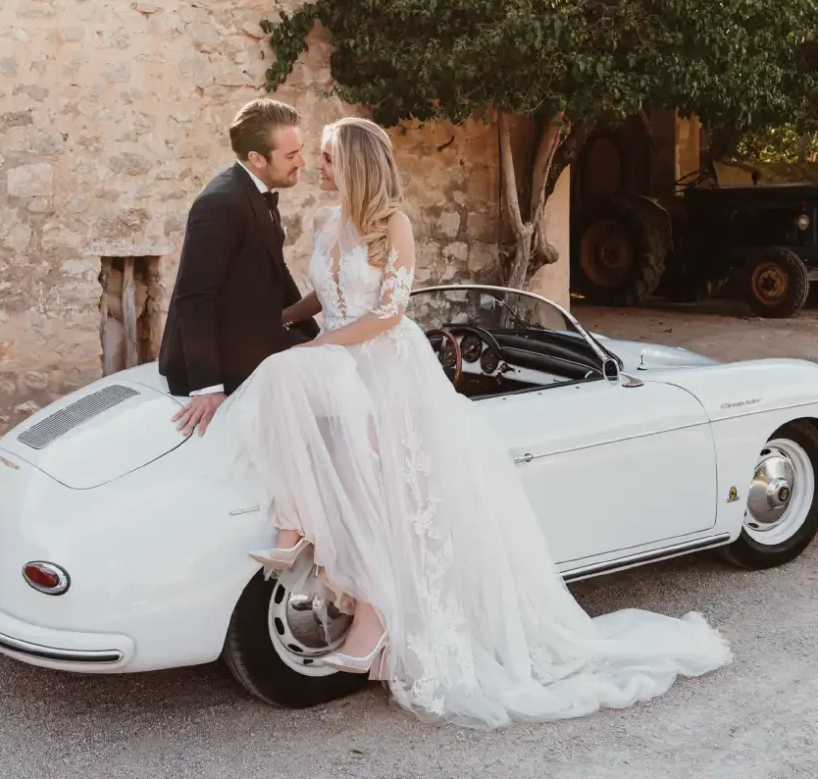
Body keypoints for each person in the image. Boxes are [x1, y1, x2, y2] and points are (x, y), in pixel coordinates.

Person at [208, 116, 732, 730]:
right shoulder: (326, 223)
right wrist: (276, 321)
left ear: (353, 163)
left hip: (387, 369)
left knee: (392, 499)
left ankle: (380, 618)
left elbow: (386, 315)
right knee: (341, 467)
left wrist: (311, 350)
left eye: (325, 158)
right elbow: (321, 298)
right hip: (338, 366)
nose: (317, 168)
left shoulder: (393, 227)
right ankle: (305, 531)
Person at [159, 98, 319, 438]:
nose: (301, 162)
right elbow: (194, 297)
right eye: (290, 156)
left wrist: (311, 331)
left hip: (250, 334)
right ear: (257, 160)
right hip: (221, 355)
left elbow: (277, 271)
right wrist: (207, 387)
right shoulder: (220, 202)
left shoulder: (257, 193)